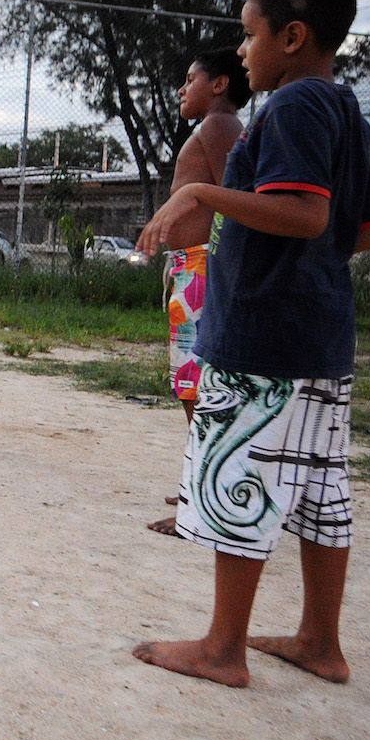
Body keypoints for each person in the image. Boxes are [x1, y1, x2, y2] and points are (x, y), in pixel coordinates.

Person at [132, 0, 370, 688]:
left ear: (295, 36)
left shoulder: (295, 108)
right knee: (318, 486)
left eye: (249, 35)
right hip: (321, 336)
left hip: (262, 338)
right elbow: (360, 231)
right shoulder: (347, 110)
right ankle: (319, 641)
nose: (242, 52)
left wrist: (201, 194)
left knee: (238, 471)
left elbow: (306, 214)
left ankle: (223, 648)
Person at [147, 47, 251, 536]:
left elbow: (239, 201)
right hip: (191, 268)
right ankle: (201, 477)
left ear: (221, 84)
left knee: (200, 385)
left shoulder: (219, 126)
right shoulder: (210, 128)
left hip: (204, 271)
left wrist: (216, 264)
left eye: (191, 79)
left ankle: (205, 495)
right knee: (190, 383)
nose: (183, 89)